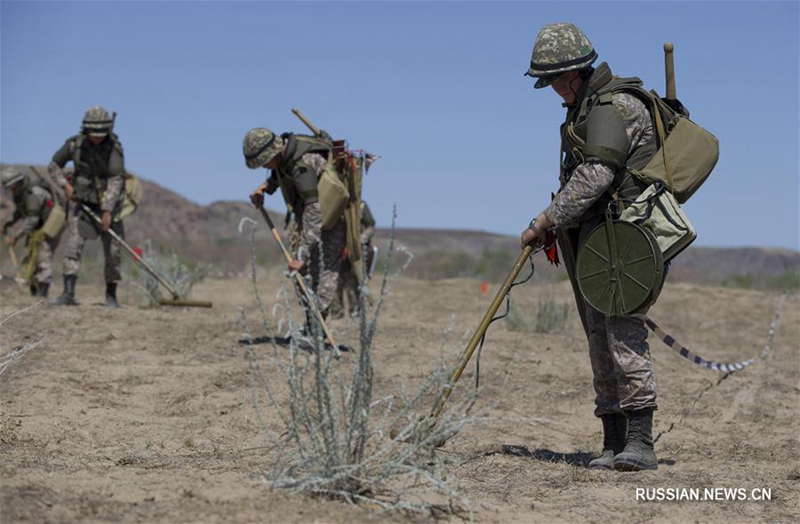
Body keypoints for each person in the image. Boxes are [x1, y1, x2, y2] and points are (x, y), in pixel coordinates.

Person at [521, 23, 664, 471]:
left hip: (623, 243)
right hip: (598, 243)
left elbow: (596, 175)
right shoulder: (585, 107)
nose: (554, 91)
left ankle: (640, 442)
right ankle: (613, 439)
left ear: (574, 74)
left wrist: (543, 220)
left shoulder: (613, 106)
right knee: (598, 338)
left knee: (623, 336)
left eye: (555, 82)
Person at [243, 127, 347, 333]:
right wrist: (265, 187)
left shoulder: (302, 165)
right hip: (309, 218)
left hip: (331, 218)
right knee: (303, 275)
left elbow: (314, 210)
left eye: (264, 162)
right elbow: (279, 172)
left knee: (323, 273)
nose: (264, 166)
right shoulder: (285, 153)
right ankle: (311, 325)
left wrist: (302, 254)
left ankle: (317, 329)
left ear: (272, 153)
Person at [49, 106, 126, 308]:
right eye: (94, 134)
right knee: (73, 246)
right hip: (81, 203)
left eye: (101, 134)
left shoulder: (114, 148)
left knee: (113, 252)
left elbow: (116, 180)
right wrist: (65, 186)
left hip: (109, 205)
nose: (97, 138)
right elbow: (54, 166)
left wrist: (108, 210)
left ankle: (111, 296)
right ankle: (68, 293)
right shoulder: (74, 145)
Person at [1, 167, 64, 297]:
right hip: (35, 229)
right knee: (31, 259)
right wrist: (9, 223)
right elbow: (20, 212)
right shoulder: (19, 194)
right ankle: (34, 291)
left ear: (18, 182)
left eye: (13, 186)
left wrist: (16, 236)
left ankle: (43, 294)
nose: (13, 190)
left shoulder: (33, 194)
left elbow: (32, 220)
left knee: (43, 258)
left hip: (48, 227)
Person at [331, 200, 376, 319]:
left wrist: (359, 241)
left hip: (355, 252)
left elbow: (370, 226)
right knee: (334, 282)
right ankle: (336, 313)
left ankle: (355, 313)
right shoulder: (333, 201)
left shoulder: (360, 205)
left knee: (355, 282)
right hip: (335, 250)